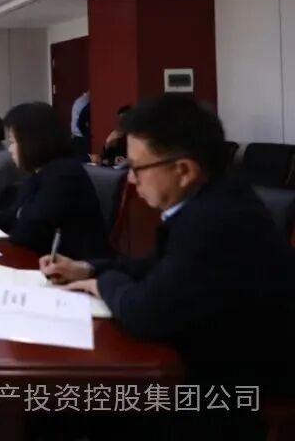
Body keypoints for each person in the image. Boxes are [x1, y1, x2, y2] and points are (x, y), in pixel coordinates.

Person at [41, 94, 295, 430]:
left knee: (65, 410)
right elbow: (161, 266)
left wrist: (100, 283)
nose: (131, 179)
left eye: (137, 168)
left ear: (184, 170)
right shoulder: (217, 198)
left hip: (234, 394)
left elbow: (146, 313)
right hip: (209, 363)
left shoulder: (216, 221)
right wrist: (88, 269)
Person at [0, 102, 111, 260]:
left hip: (75, 272)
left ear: (33, 142)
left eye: (13, 141)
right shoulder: (41, 173)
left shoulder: (63, 175)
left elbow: (28, 232)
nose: (10, 149)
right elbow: (11, 216)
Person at [70, 90, 91, 160]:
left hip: (76, 136)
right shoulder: (85, 102)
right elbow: (80, 122)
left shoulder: (79, 101)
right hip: (81, 137)